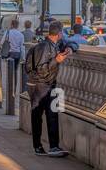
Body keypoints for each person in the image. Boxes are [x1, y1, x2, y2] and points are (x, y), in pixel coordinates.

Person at [25, 19, 72, 157]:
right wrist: (56, 61)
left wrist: (70, 48)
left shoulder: (50, 44)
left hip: (42, 85)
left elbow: (70, 43)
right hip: (42, 86)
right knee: (45, 116)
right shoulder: (45, 48)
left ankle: (46, 146)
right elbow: (41, 70)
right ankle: (45, 146)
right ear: (59, 33)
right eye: (62, 32)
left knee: (44, 116)